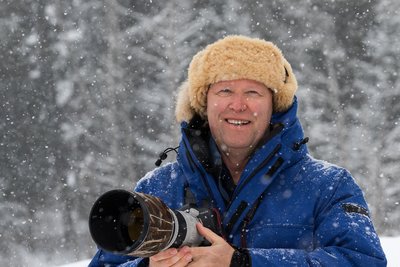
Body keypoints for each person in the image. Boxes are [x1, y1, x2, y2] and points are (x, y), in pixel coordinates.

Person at [89, 35, 387, 267]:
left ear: (276, 106)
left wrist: (242, 261)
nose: (238, 105)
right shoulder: (158, 188)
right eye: (225, 91)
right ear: (203, 103)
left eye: (253, 92)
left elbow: (362, 261)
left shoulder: (328, 186)